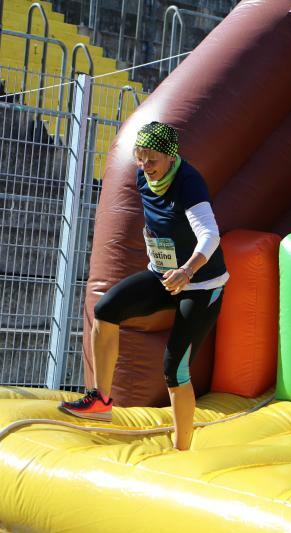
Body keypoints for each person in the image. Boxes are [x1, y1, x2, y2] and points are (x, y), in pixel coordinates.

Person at [60, 122, 229, 451]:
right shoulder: (143, 177)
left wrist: (187, 270)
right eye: (140, 158)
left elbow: (210, 235)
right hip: (163, 275)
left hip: (201, 283)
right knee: (106, 309)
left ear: (170, 156)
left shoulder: (189, 183)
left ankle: (182, 450)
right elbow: (156, 220)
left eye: (151, 159)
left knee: (173, 368)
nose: (145, 166)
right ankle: (100, 401)